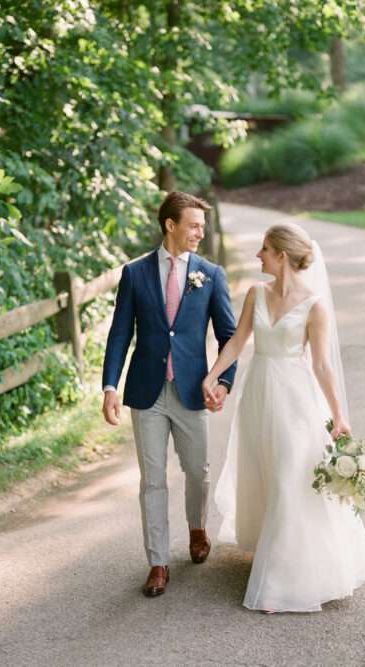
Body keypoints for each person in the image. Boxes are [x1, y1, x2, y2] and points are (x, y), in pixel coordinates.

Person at [202, 222, 365, 613]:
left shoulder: (314, 306)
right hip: (258, 393)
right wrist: (213, 373)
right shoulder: (256, 293)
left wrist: (339, 415)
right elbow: (237, 340)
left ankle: (281, 583)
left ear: (281, 255)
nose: (257, 255)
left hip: (295, 399)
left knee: (289, 478)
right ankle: (272, 547)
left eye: (263, 249)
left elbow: (321, 365)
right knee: (264, 472)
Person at [102, 191, 237, 597]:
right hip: (147, 392)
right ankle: (157, 562)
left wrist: (224, 382)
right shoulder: (135, 273)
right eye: (194, 225)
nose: (200, 232)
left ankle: (197, 528)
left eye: (203, 225)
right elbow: (120, 333)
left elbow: (228, 335)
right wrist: (110, 384)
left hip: (193, 390)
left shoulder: (210, 274)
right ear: (171, 225)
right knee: (153, 480)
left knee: (198, 472)